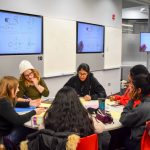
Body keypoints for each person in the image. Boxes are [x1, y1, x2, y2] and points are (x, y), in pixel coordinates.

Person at [25, 86, 105, 149]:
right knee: (102, 136)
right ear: (76, 101)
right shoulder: (84, 115)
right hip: (80, 147)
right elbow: (101, 128)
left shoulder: (50, 115)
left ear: (56, 102)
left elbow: (41, 130)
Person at [0, 76, 45, 149]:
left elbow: (15, 103)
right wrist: (34, 112)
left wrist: (29, 104)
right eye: (17, 87)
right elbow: (18, 120)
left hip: (7, 129)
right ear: (10, 89)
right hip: (4, 134)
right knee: (31, 129)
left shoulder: (4, 98)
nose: (18, 90)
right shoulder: (3, 102)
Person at [120, 73, 150, 150]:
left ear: (139, 90)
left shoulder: (143, 108)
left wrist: (131, 99)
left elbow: (123, 119)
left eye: (132, 87)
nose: (130, 89)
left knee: (117, 134)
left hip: (139, 144)